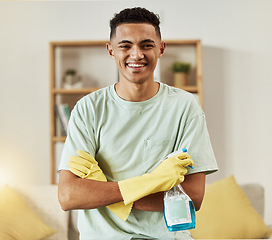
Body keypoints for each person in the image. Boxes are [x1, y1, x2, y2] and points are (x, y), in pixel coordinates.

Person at [58, 7, 218, 240]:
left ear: (161, 49)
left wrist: (104, 192)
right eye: (125, 46)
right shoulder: (88, 109)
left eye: (146, 45)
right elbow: (69, 196)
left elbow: (194, 197)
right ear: (110, 50)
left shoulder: (185, 107)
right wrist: (152, 182)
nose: (136, 54)